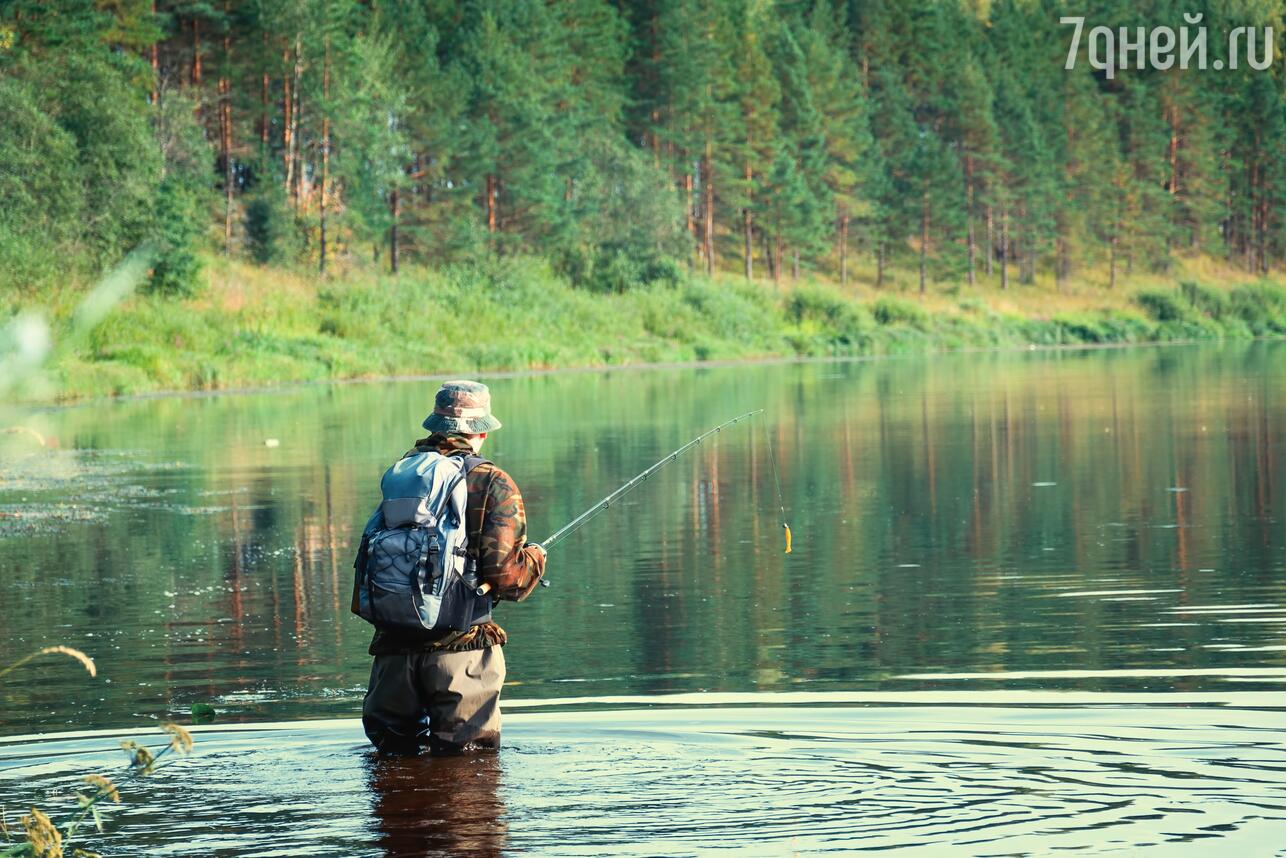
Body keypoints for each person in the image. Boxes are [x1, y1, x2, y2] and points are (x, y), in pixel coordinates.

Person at [360, 380, 546, 756]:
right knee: (469, 774)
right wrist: (536, 560)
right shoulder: (493, 482)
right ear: (481, 431)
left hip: (394, 655)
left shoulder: (403, 474)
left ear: (435, 425)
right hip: (462, 653)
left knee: (392, 764)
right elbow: (506, 578)